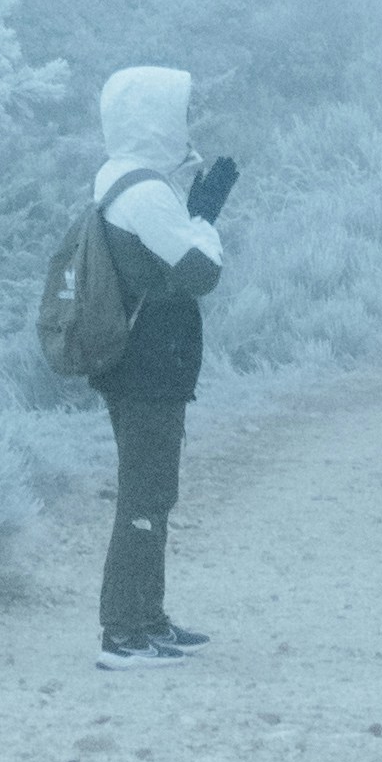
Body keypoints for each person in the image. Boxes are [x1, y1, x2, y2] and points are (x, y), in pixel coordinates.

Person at [86, 62, 236, 666]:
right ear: (152, 118)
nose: (184, 122)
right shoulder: (146, 191)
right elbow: (203, 271)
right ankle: (122, 634)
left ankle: (147, 618)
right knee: (146, 495)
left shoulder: (119, 175)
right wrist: (203, 219)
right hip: (149, 363)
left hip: (140, 359)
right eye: (176, 112)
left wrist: (192, 213)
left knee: (151, 492)